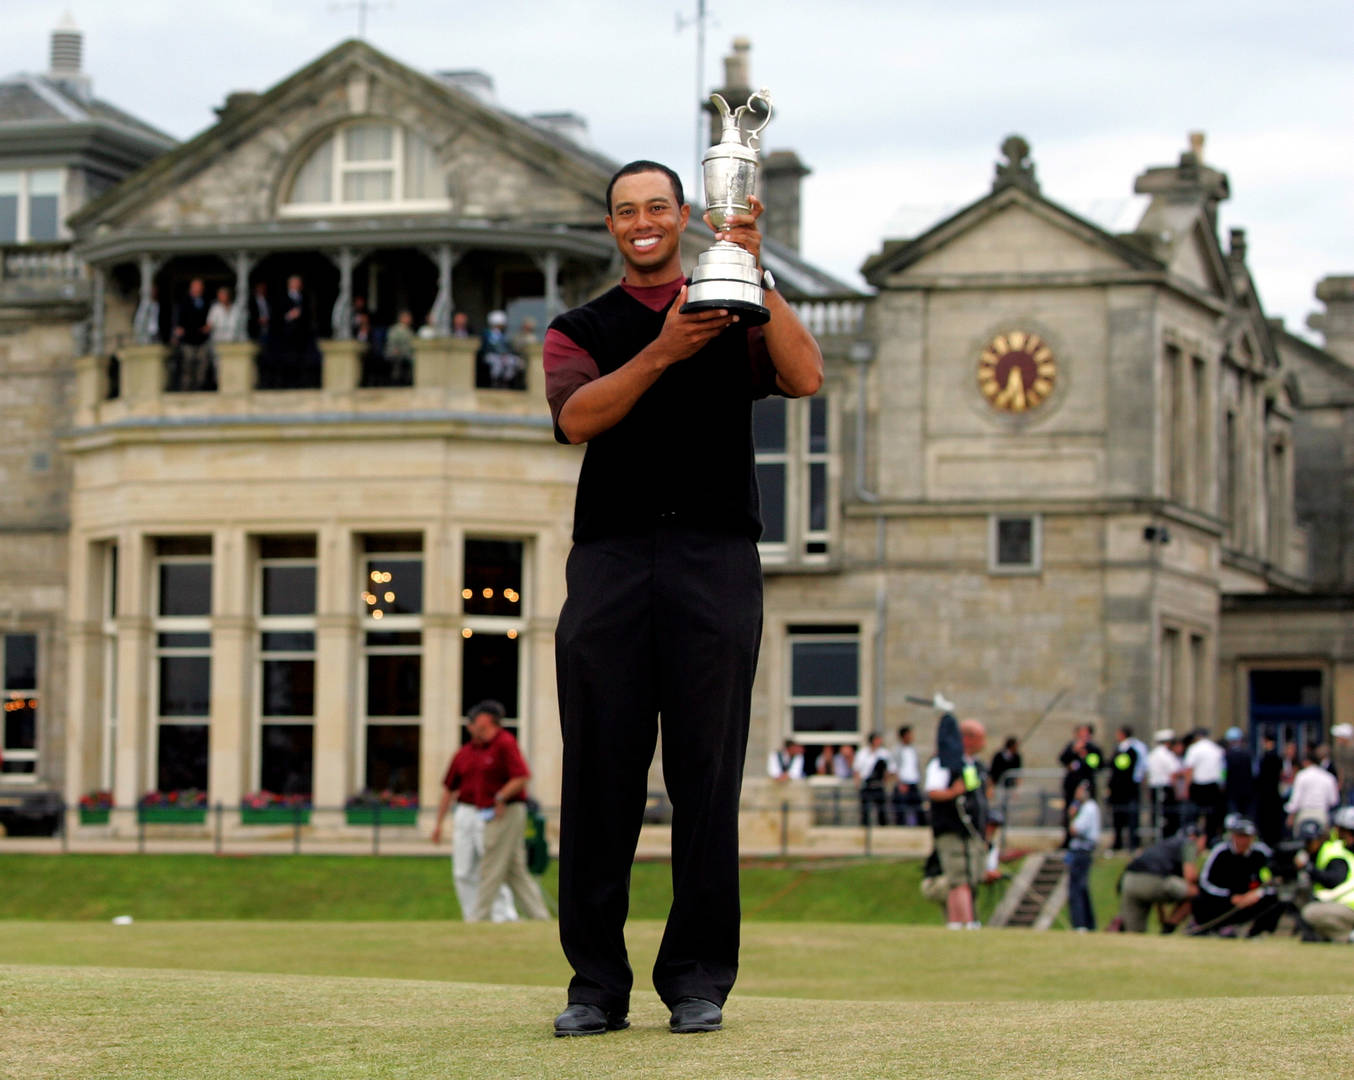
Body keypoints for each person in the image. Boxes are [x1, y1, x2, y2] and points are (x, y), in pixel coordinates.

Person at [546, 160, 822, 1038]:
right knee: (600, 777)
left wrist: (755, 265)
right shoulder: (579, 327)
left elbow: (806, 375)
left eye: (658, 207)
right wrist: (665, 349)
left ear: (683, 215)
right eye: (626, 211)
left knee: (706, 776)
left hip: (715, 558)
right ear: (611, 226)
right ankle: (594, 985)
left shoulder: (733, 304)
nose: (643, 222)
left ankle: (698, 978)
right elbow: (577, 418)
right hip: (611, 562)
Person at [430, 700, 549, 924]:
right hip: (477, 811)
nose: (476, 729)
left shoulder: (504, 743)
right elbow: (448, 789)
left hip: (504, 812)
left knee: (491, 865)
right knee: (514, 870)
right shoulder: (465, 752)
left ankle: (481, 917)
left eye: (481, 725)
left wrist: (500, 797)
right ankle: (539, 917)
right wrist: (438, 824)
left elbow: (522, 776)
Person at [924, 718, 989, 930]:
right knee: (958, 877)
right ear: (967, 739)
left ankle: (959, 922)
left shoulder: (972, 765)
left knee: (969, 877)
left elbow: (974, 791)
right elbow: (933, 791)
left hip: (971, 831)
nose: (984, 743)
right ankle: (966, 922)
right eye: (980, 737)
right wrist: (953, 793)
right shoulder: (942, 762)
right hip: (951, 829)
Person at [1192, 815, 1281, 937]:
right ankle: (1212, 927)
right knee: (1200, 899)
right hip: (1224, 897)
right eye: (1240, 836)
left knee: (1274, 900)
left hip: (1251, 897)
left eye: (1247, 837)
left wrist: (1257, 894)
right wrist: (1231, 897)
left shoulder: (1262, 853)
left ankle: (1256, 932)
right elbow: (1205, 882)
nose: (1244, 841)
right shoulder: (1221, 852)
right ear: (1233, 836)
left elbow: (1274, 879)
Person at [1117, 826, 1199, 933]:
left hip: (1129, 881)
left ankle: (1122, 927)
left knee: (1134, 934)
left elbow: (1157, 893)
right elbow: (1190, 876)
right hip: (1153, 882)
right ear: (1202, 839)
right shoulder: (1189, 843)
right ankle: (1170, 926)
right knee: (1196, 892)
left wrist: (1162, 917)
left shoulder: (1163, 844)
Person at [1298, 806, 1354, 943]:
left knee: (1310, 912)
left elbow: (1334, 880)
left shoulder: (1336, 853)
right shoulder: (1343, 850)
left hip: (1348, 906)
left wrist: (1309, 869)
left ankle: (1349, 936)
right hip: (1344, 904)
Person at [1058, 724, 1103, 843]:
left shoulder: (1093, 749)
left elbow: (1097, 764)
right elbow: (1062, 759)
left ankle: (1085, 839)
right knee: (1070, 812)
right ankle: (1068, 839)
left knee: (1086, 812)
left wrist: (1085, 757)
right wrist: (1074, 751)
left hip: (1086, 786)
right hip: (1072, 786)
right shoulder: (1071, 746)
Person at [1064, 779, 1099, 931]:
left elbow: (1075, 829)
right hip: (1083, 850)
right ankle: (1088, 924)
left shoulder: (1088, 807)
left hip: (1081, 851)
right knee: (1082, 888)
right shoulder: (1089, 807)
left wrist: (1072, 816)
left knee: (1076, 889)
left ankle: (1080, 924)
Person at [1182, 727, 1226, 841]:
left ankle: (1193, 839)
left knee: (1194, 815)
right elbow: (1222, 771)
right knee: (1212, 815)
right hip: (1213, 786)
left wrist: (1186, 787)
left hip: (1198, 785)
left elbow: (1189, 769)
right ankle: (1210, 838)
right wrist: (1222, 786)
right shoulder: (1216, 749)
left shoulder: (1194, 749)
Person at [1286, 747, 1340, 832]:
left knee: (1302, 842)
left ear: (1307, 762)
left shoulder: (1301, 775)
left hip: (1304, 814)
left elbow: (1295, 799)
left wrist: (1291, 816)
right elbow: (1333, 800)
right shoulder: (1328, 777)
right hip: (1321, 814)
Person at [172, 277, 212, 390]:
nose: (198, 288)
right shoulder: (183, 301)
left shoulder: (207, 301)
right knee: (187, 365)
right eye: (195, 286)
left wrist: (207, 327)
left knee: (202, 365)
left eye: (199, 286)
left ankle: (200, 386)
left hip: (202, 339)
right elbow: (178, 320)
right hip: (188, 339)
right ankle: (187, 387)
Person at [1107, 726, 1142, 851]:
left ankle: (1132, 843)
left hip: (1125, 790)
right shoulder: (1119, 749)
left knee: (1130, 817)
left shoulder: (1130, 751)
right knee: (1117, 818)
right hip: (1118, 791)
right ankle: (1118, 843)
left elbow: (1120, 768)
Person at [1146, 729, 1182, 839]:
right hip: (1165, 788)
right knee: (1168, 816)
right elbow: (1174, 772)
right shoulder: (1166, 755)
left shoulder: (1152, 754)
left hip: (1154, 787)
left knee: (1156, 815)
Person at [477, 310, 525, 389]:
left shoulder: (503, 335)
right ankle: (495, 382)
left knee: (514, 361)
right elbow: (489, 347)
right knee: (497, 363)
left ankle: (506, 382)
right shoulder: (487, 333)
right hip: (490, 355)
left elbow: (507, 347)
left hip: (503, 355)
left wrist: (507, 353)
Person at [1254, 731, 1285, 848]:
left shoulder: (1267, 758)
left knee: (1267, 823)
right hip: (1273, 795)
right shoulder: (1277, 758)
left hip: (1266, 796)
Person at [855, 732, 890, 827]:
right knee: (865, 810)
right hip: (866, 785)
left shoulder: (884, 753)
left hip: (878, 785)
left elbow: (888, 770)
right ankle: (864, 828)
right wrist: (858, 785)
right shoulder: (862, 753)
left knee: (881, 810)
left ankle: (883, 829)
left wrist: (884, 782)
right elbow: (857, 770)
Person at [891, 725, 924, 826]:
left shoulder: (913, 749)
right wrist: (900, 783)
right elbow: (894, 768)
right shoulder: (897, 750)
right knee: (901, 809)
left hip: (914, 781)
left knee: (918, 807)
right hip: (903, 783)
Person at [1222, 726, 1255, 818]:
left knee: (1233, 815)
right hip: (1247, 789)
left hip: (1231, 789)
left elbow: (1223, 772)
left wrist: (1222, 783)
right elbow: (1254, 772)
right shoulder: (1248, 755)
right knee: (1246, 816)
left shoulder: (1226, 755)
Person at [384, 310, 417, 385]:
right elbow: (392, 344)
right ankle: (396, 380)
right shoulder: (395, 330)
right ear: (402, 318)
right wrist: (396, 351)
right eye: (407, 317)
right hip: (397, 355)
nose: (410, 319)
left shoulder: (410, 330)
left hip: (409, 355)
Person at [1332, 723, 1354, 803]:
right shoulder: (1338, 749)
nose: (1338, 739)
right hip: (1345, 784)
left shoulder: (1347, 750)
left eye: (1339, 737)